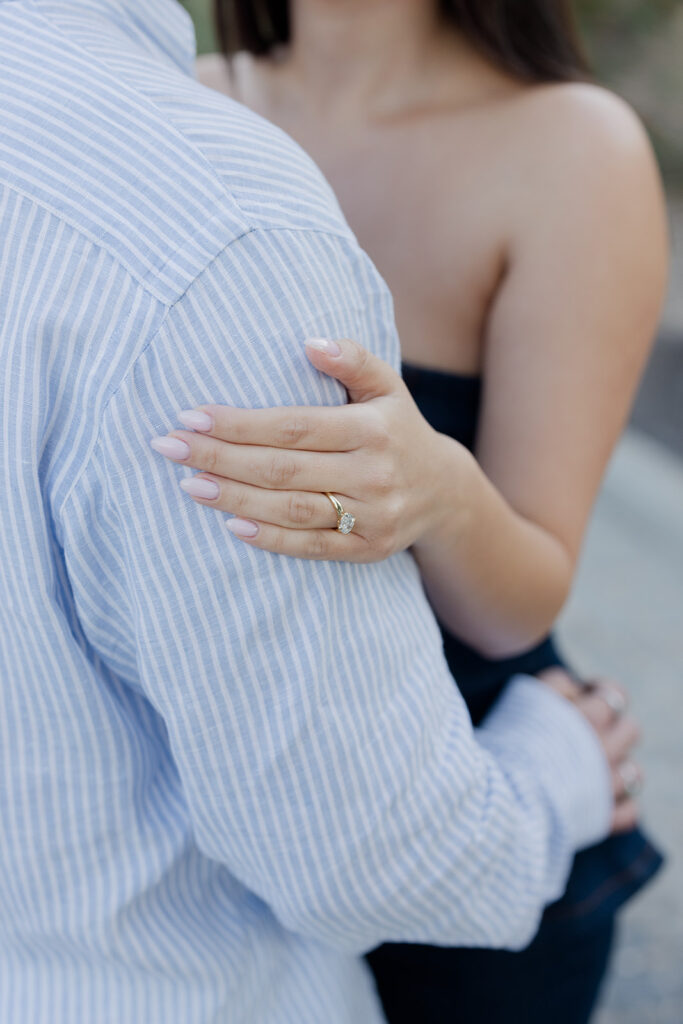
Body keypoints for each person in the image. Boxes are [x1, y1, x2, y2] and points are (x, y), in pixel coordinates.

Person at [0, 0, 646, 1020]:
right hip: (213, 827)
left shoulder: (571, 148)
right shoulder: (181, 99)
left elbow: (519, 604)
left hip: (469, 799)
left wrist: (439, 493)